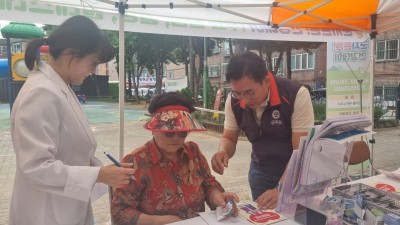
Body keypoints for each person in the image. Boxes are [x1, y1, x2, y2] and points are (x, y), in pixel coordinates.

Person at [9, 15, 135, 225]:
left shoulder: (59, 87)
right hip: (45, 214)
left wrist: (105, 172)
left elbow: (70, 152)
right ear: (70, 55)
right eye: (92, 63)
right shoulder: (41, 92)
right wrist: (98, 175)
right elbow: (35, 167)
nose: (93, 71)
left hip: (65, 207)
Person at [111, 92, 239, 225]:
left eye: (183, 132)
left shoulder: (193, 152)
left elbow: (209, 184)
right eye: (169, 132)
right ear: (153, 129)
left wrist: (217, 197)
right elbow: (120, 212)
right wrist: (161, 222)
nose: (176, 138)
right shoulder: (135, 161)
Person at [211, 51, 314, 210]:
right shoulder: (234, 101)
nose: (243, 100)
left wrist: (282, 189)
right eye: (237, 93)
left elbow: (300, 151)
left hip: (295, 173)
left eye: (249, 92)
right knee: (264, 218)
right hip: (260, 172)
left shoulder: (295, 94)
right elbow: (229, 138)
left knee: (295, 219)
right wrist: (223, 151)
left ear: (266, 81)